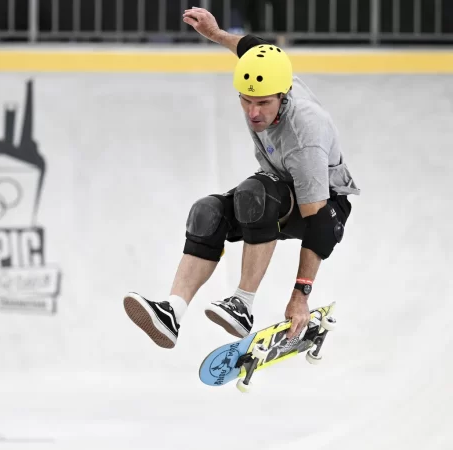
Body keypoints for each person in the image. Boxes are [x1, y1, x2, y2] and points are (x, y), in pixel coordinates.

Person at [123, 7, 360, 349]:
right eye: (246, 101)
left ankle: (243, 305)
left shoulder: (305, 133)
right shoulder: (267, 71)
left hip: (326, 208)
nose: (253, 113)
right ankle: (171, 312)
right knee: (207, 212)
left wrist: (301, 296)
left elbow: (319, 223)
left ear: (284, 94)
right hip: (281, 190)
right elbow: (252, 47)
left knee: (255, 193)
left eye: (263, 103)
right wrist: (215, 34)